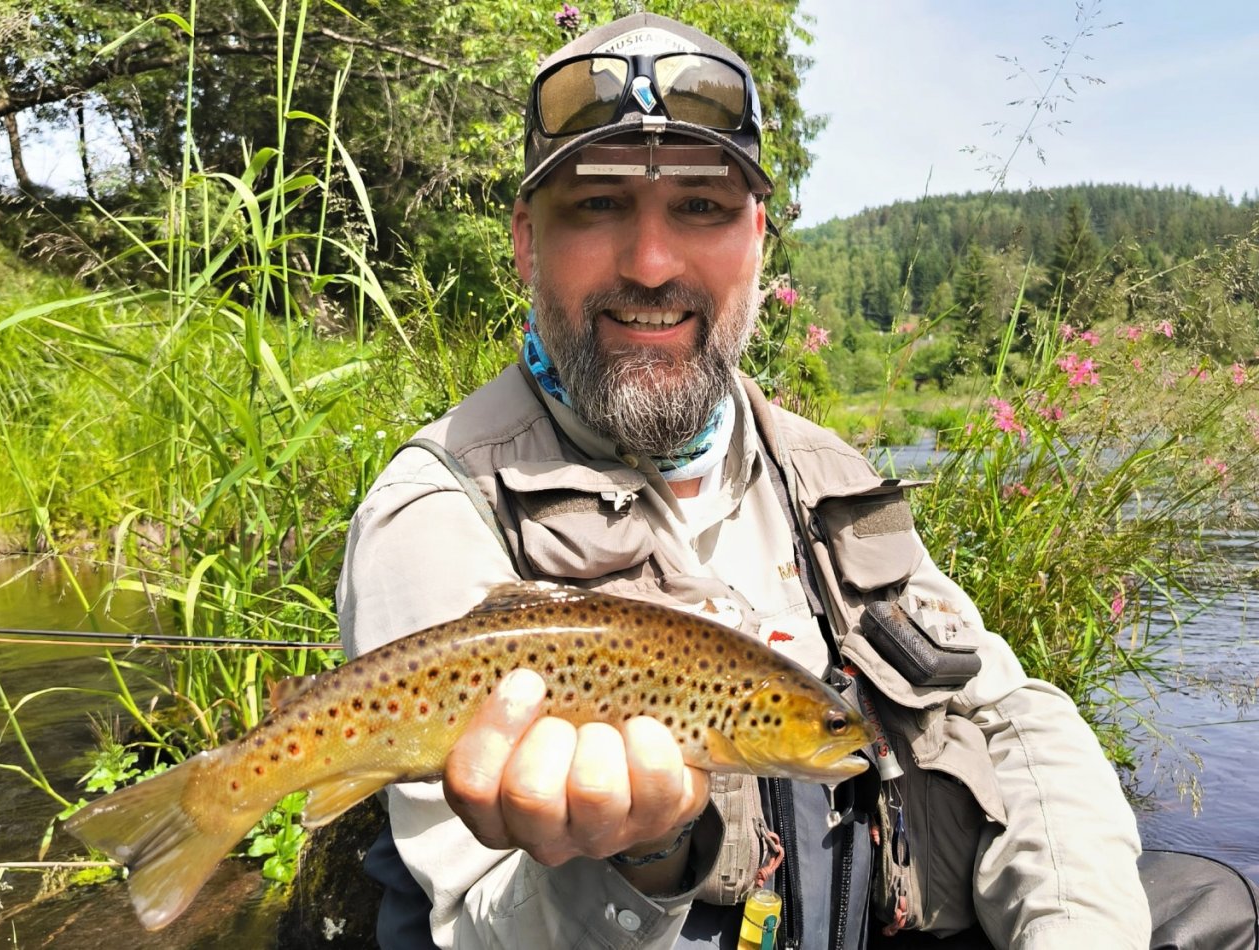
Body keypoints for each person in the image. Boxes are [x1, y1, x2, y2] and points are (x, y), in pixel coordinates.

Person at [337, 12, 1259, 950]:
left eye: (701, 207)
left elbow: (1012, 719)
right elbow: (476, 928)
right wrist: (639, 863)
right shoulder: (437, 510)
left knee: (1202, 904)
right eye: (597, 204)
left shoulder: (825, 473)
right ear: (528, 244)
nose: (652, 264)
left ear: (758, 243)